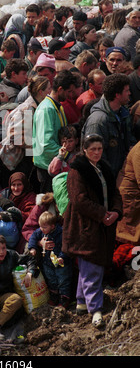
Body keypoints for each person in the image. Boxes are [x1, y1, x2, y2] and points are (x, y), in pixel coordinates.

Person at [62, 134, 122, 328]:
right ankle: (95, 309)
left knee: (89, 265)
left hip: (102, 224)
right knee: (92, 266)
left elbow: (114, 192)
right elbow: (78, 200)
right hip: (85, 226)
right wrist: (102, 214)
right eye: (93, 149)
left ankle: (81, 302)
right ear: (85, 150)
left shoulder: (103, 168)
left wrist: (115, 212)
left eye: (100, 148)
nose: (97, 152)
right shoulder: (77, 170)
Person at [81, 73, 135, 178]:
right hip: (106, 178)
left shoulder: (123, 114)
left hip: (120, 174)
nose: (129, 93)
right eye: (126, 91)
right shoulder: (98, 121)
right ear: (117, 95)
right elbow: (94, 157)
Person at [33, 69, 78, 192]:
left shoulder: (57, 106)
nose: (70, 95)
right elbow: (46, 144)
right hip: (47, 169)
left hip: (58, 165)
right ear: (60, 90)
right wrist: (68, 156)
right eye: (68, 91)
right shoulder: (47, 109)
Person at [28, 211, 72, 308]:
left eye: (44, 227)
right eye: (40, 226)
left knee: (63, 279)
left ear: (52, 226)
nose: (41, 229)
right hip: (47, 262)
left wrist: (62, 257)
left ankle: (64, 298)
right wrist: (33, 248)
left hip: (61, 263)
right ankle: (54, 296)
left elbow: (66, 246)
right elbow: (33, 237)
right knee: (51, 279)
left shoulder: (61, 233)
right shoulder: (40, 232)